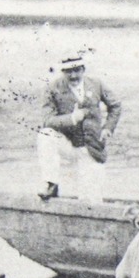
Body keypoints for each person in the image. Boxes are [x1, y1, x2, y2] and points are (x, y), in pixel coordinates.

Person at [37, 50, 121, 201]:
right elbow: (47, 121)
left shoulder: (97, 84)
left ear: (83, 69)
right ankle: (51, 184)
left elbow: (115, 106)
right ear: (63, 71)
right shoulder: (52, 88)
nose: (73, 75)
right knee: (46, 135)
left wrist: (108, 128)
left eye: (77, 70)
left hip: (91, 147)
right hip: (68, 144)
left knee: (91, 199)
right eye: (68, 71)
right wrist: (72, 118)